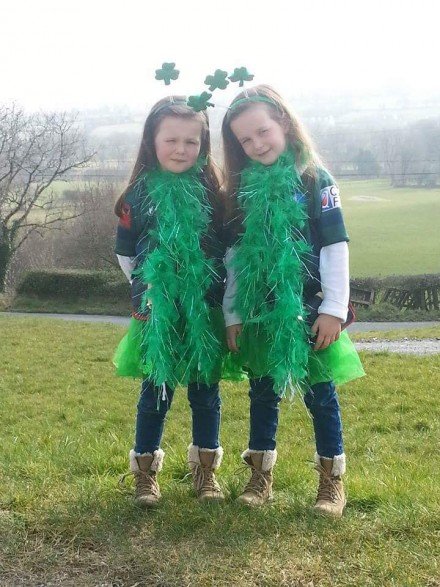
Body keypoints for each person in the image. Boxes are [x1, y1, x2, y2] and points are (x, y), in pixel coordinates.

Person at [221, 85, 365, 516]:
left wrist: (334, 309)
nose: (256, 144)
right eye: (245, 140)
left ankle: (331, 483)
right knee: (262, 392)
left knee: (320, 394)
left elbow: (334, 245)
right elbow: (233, 258)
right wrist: (232, 313)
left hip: (309, 309)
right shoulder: (242, 188)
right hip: (260, 312)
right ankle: (260, 474)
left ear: (283, 121)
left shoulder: (315, 179)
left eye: (262, 131)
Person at [114, 96, 227, 507]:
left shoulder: (213, 191)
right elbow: (125, 254)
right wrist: (149, 289)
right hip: (157, 312)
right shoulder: (137, 196)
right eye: (171, 140)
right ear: (152, 142)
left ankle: (206, 470)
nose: (181, 149)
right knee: (155, 389)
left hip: (204, 310)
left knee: (205, 389)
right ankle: (145, 474)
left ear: (204, 145)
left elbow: (227, 251)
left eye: (191, 142)